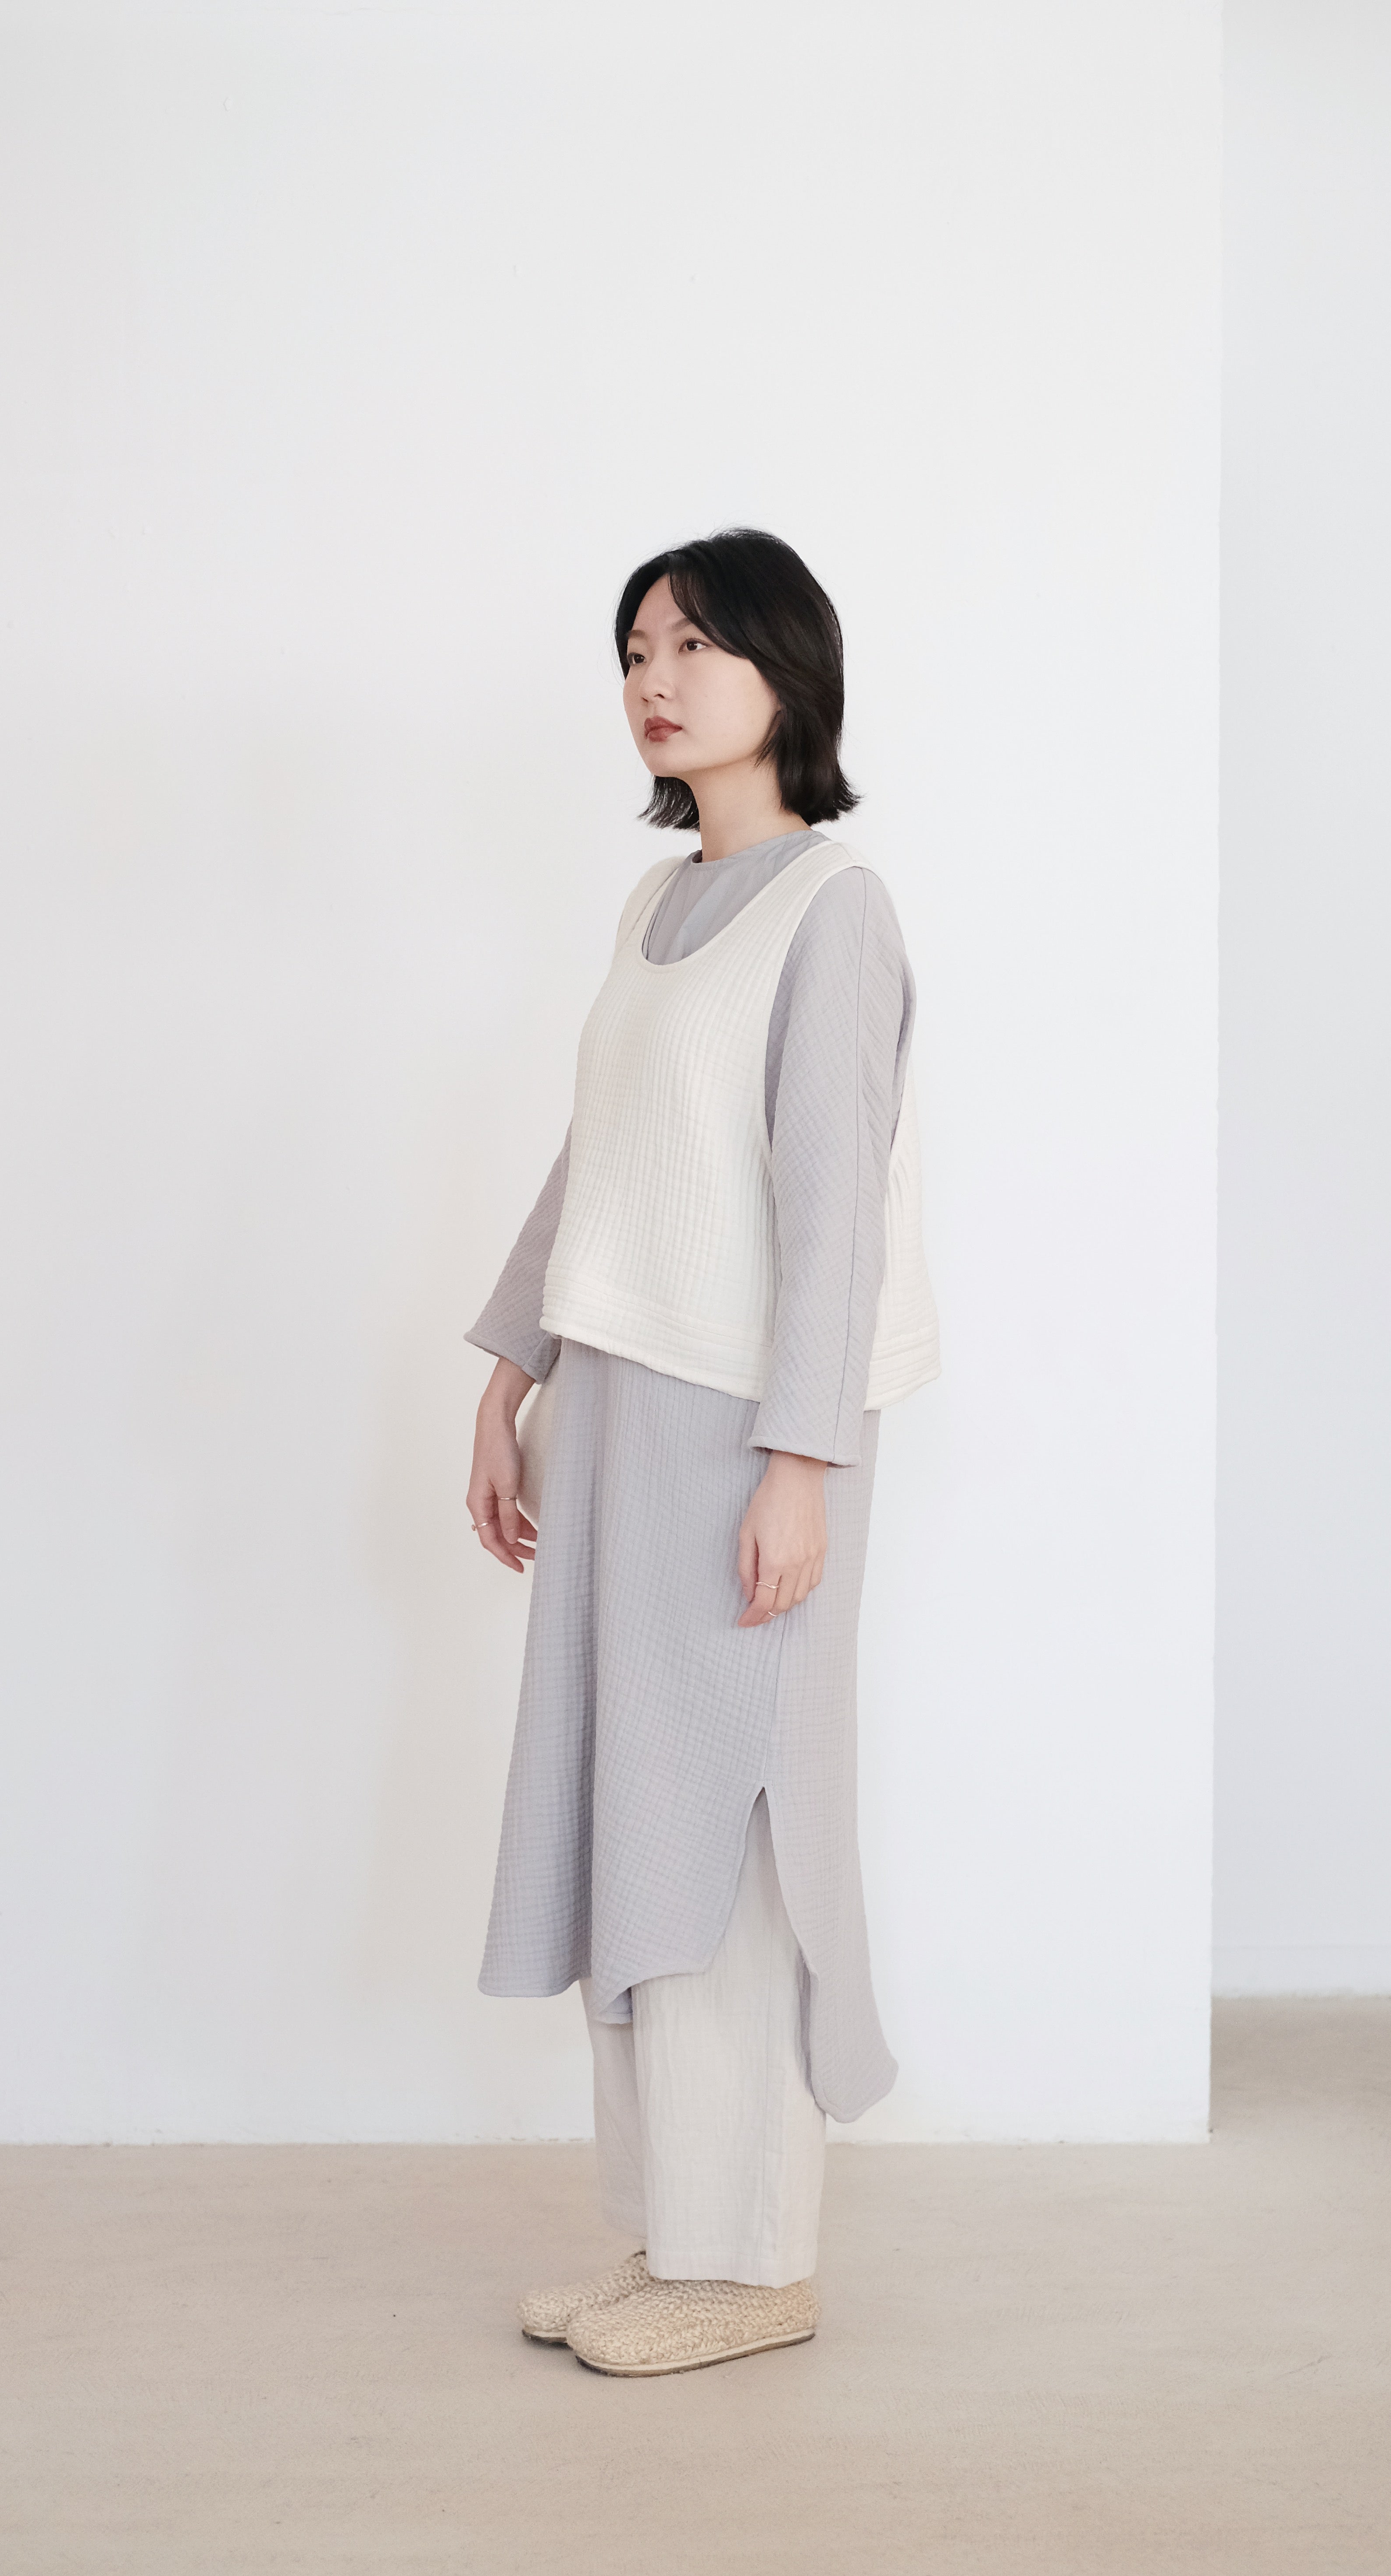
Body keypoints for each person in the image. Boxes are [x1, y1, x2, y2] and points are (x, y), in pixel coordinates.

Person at [464, 528, 939, 2378]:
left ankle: (754, 2267)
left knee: (731, 1824)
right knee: (632, 1813)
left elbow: (835, 1215)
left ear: (784, 672)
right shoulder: (654, 908)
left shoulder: (837, 908)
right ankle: (676, 2234)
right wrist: (510, 1374)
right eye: (635, 650)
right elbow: (601, 1156)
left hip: (744, 1428)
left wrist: (801, 1464)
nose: (653, 681)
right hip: (616, 1408)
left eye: (693, 647)